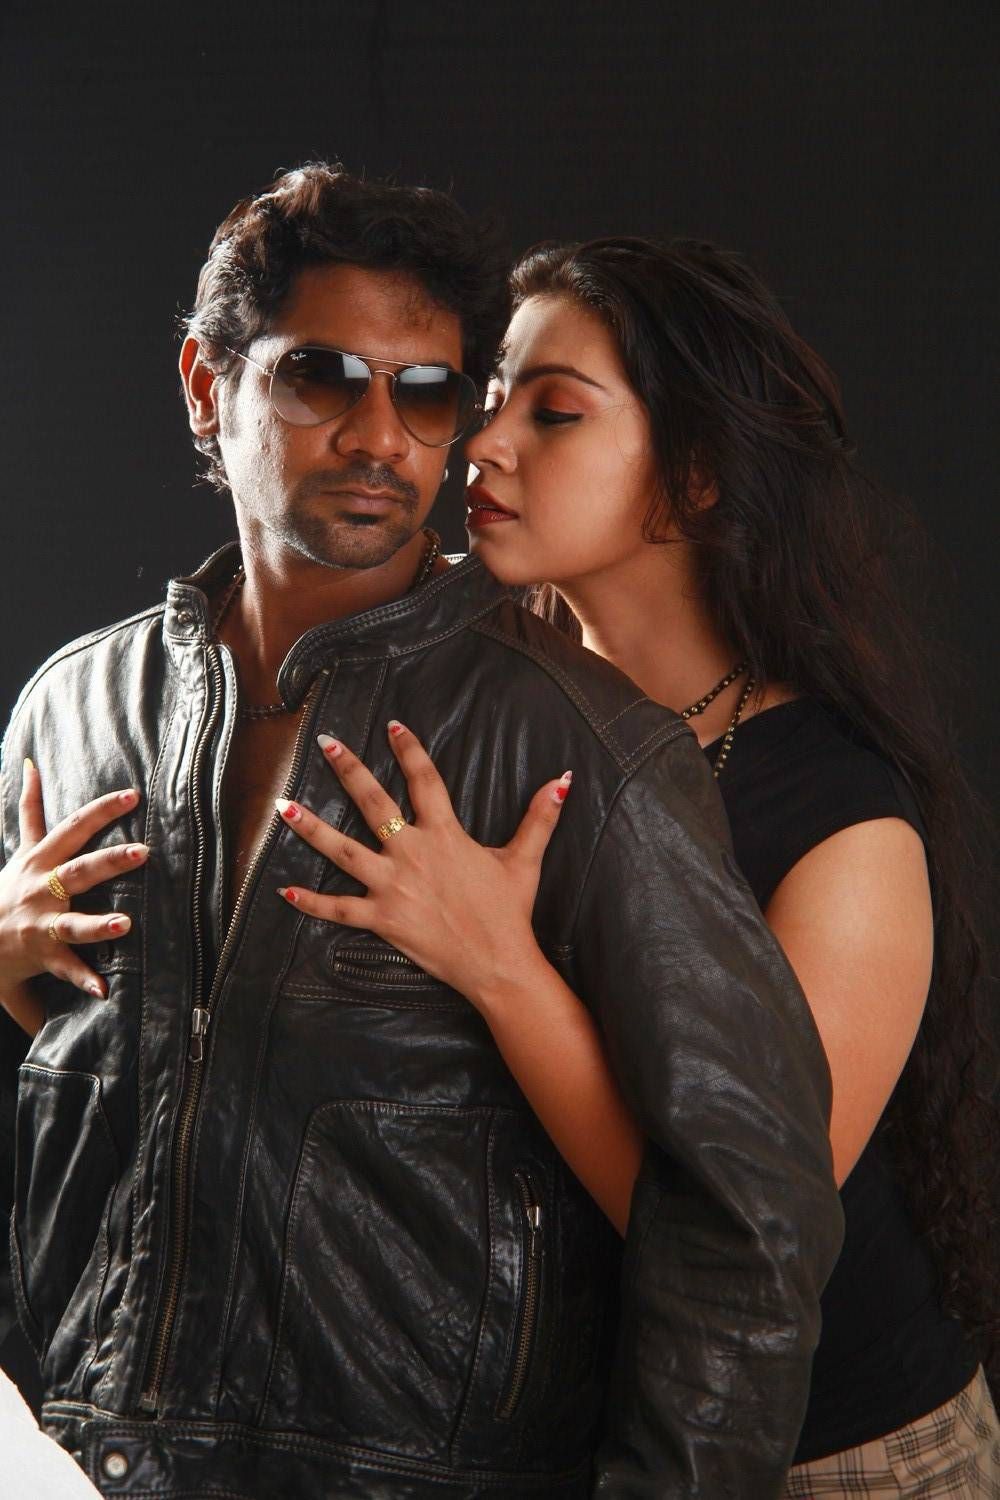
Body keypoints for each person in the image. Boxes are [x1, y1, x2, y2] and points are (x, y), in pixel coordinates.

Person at [0, 166, 843, 1498]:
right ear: (207, 387)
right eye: (321, 377)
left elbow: (752, 1217)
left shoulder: (577, 745)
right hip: (70, 1456)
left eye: (429, 392)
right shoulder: (71, 711)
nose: (381, 436)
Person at [275, 235, 1000, 1494]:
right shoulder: (484, 710)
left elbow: (743, 1238)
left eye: (553, 413)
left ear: (696, 479)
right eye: (493, 397)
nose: (484, 443)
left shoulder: (842, 826)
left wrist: (504, 971)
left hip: (832, 1459)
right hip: (541, 1438)